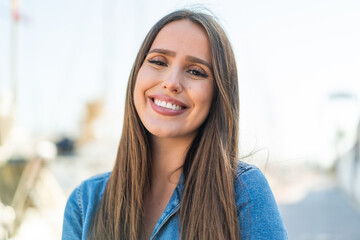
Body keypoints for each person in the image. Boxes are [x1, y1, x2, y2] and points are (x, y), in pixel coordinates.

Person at [62, 9, 287, 240]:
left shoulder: (244, 191)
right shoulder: (84, 204)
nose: (171, 83)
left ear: (218, 94)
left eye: (195, 71)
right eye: (158, 61)